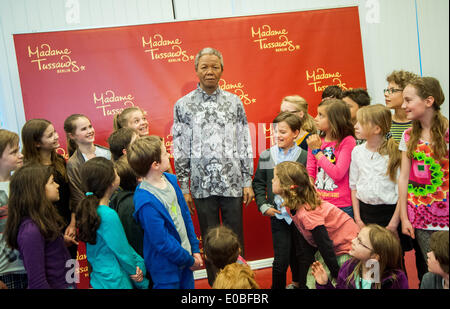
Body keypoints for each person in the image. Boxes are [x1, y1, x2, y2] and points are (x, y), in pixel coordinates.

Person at [172, 47, 254, 286]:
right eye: (204, 67)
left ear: (222, 70)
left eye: (214, 67)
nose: (210, 71)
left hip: (232, 182)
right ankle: (215, 284)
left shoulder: (234, 102)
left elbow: (244, 142)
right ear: (196, 70)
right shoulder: (183, 105)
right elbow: (180, 148)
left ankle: (241, 284)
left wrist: (247, 180)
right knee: (210, 239)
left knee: (235, 238)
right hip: (200, 185)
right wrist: (185, 187)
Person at [128, 136, 202, 289]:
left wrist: (194, 249)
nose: (168, 154)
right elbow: (161, 242)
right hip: (165, 268)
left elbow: (185, 216)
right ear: (155, 164)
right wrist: (189, 260)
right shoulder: (145, 201)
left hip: (186, 258)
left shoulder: (171, 180)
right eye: (164, 153)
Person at [273, 161, 359, 289]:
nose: (272, 181)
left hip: (346, 248)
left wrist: (336, 275)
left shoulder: (308, 214)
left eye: (275, 178)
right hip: (332, 246)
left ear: (288, 186)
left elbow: (325, 245)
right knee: (311, 281)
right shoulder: (292, 205)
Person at [252, 112, 307, 289]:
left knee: (302, 256)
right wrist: (263, 205)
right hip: (278, 217)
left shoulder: (304, 156)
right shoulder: (268, 156)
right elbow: (259, 183)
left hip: (301, 217)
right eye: (275, 131)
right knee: (281, 260)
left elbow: (309, 185)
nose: (277, 135)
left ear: (296, 133)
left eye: (283, 132)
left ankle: (299, 284)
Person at [75, 157, 148, 289]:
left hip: (101, 279)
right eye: (115, 171)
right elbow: (123, 252)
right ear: (110, 181)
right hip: (116, 281)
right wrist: (141, 280)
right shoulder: (107, 215)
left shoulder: (91, 210)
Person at [397, 76, 449, 263]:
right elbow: (403, 178)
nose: (403, 105)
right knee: (431, 268)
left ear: (429, 101)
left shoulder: (447, 132)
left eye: (408, 100)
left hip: (446, 216)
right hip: (420, 218)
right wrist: (404, 217)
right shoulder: (408, 136)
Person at [4, 164, 76, 289]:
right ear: (37, 190)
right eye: (52, 182)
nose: (57, 185)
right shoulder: (30, 231)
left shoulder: (42, 220)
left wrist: (59, 242)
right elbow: (37, 283)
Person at [21, 119, 77, 258]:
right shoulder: (28, 172)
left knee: (71, 276)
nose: (57, 136)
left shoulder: (59, 160)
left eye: (55, 132)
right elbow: (34, 210)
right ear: (36, 143)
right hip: (48, 235)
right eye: (50, 135)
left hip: (69, 230)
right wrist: (58, 237)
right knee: (56, 275)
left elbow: (72, 196)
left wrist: (73, 223)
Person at [350, 105, 401, 230]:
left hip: (389, 214)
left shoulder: (394, 153)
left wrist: (394, 223)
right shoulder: (357, 151)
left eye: (360, 123)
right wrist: (358, 219)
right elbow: (354, 186)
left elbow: (401, 194)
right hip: (364, 213)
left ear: (377, 129)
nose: (355, 126)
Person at [312, 224, 408, 289]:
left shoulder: (396, 280)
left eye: (360, 241)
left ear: (375, 257)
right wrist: (324, 284)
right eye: (357, 237)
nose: (353, 241)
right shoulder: (348, 268)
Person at [306, 99, 356, 218]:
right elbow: (310, 171)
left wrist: (317, 152)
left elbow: (338, 173)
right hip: (319, 203)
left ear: (335, 120)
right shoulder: (316, 140)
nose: (315, 118)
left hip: (341, 205)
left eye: (321, 115)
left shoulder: (347, 141)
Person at [64, 114, 111, 210]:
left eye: (90, 126)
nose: (90, 131)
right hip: (95, 212)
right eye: (84, 129)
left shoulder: (107, 153)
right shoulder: (74, 164)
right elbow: (78, 196)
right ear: (72, 135)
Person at [0, 129, 27, 289]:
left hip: (29, 265)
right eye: (14, 152)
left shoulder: (21, 183)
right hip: (5, 272)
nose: (21, 155)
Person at [384, 70, 418, 142]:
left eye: (392, 90)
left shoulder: (420, 123)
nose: (386, 94)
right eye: (386, 90)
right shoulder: (384, 123)